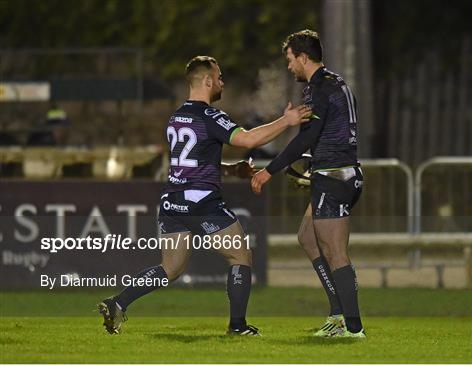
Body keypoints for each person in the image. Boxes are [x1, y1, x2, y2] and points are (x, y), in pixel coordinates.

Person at [98, 56, 311, 336]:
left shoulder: (177, 117)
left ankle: (118, 303)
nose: (222, 82)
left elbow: (190, 164)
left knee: (170, 268)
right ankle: (238, 326)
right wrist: (287, 120)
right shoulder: (209, 116)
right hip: (201, 202)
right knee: (240, 256)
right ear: (208, 81)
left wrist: (231, 169)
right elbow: (247, 139)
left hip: (172, 202)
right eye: (220, 76)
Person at [251, 30, 366, 338]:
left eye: (290, 60)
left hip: (334, 176)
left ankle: (352, 327)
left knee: (336, 252)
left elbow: (308, 137)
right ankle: (338, 313)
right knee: (307, 237)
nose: (289, 67)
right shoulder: (336, 83)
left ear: (303, 57)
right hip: (339, 173)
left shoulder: (319, 89)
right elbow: (327, 134)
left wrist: (269, 171)